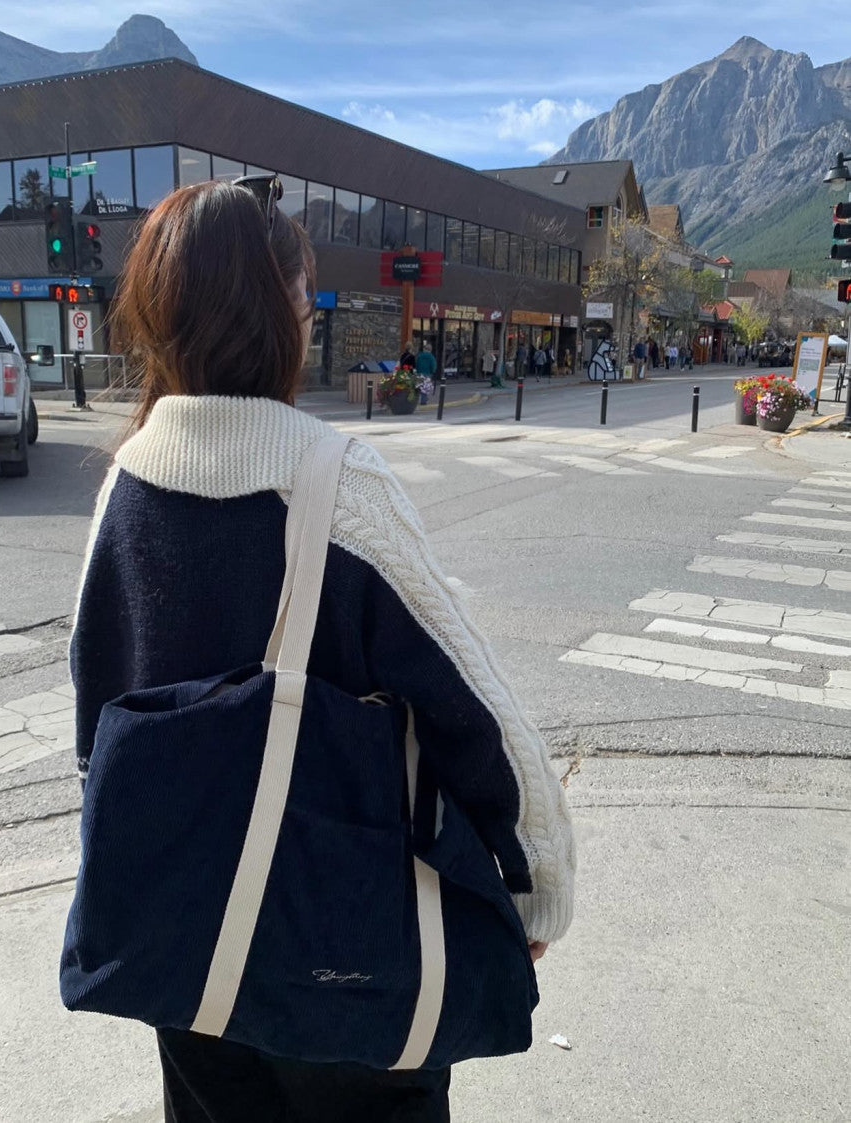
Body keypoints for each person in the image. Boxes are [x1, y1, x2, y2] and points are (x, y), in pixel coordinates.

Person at [66, 179, 575, 1123]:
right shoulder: (338, 487)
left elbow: (97, 738)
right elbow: (476, 713)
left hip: (193, 956)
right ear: (283, 316)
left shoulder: (122, 492)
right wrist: (534, 884)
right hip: (348, 951)